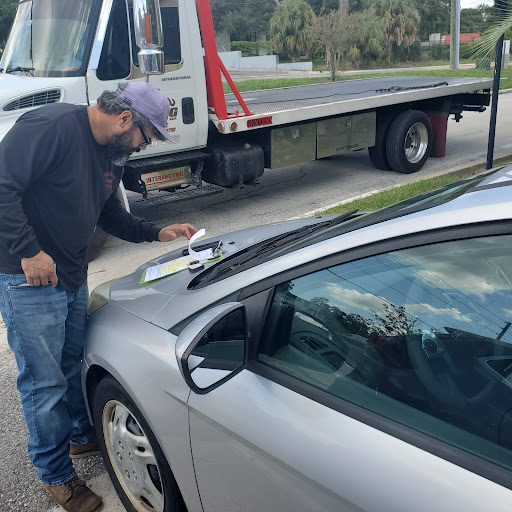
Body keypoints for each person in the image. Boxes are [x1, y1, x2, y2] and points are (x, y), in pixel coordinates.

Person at [0, 82, 198, 512]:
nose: (143, 148)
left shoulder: (111, 153)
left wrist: (154, 232)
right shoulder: (50, 128)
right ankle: (56, 476)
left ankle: (78, 437)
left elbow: (108, 214)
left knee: (72, 362)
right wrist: (29, 252)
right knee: (44, 381)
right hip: (28, 276)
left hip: (71, 274)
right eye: (146, 138)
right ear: (126, 120)